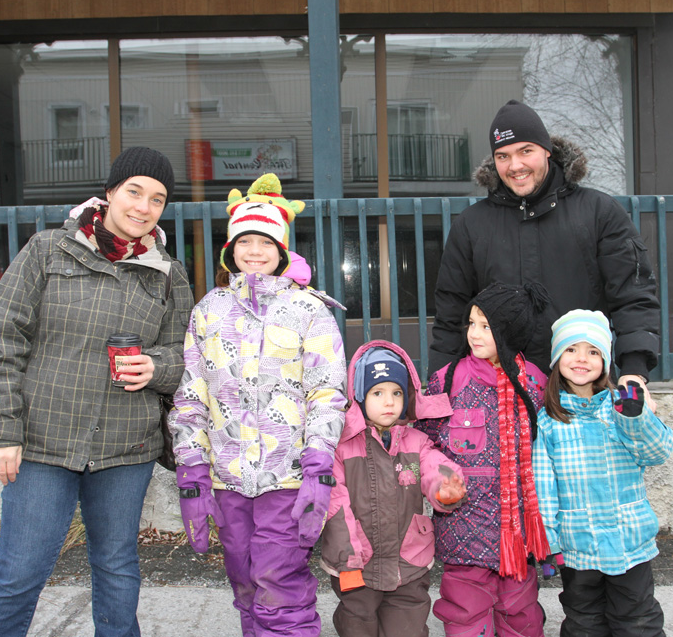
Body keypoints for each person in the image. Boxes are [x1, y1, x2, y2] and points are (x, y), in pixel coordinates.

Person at [0, 146, 193, 637]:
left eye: (157, 199)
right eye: (134, 191)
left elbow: (187, 357)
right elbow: (1, 343)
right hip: (41, 443)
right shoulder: (48, 250)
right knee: (19, 574)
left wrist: (154, 366)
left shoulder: (168, 273)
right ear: (110, 192)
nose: (143, 206)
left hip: (125, 447)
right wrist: (1, 431)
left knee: (117, 569)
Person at [168, 173, 348, 637]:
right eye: (244, 240)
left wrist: (318, 469)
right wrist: (191, 472)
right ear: (230, 249)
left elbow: (326, 393)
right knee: (246, 583)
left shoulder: (309, 310)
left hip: (286, 479)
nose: (254, 250)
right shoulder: (209, 309)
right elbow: (192, 393)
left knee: (278, 585)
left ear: (282, 250)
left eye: (265, 241)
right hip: (227, 480)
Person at [429, 99, 660, 402]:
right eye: (503, 156)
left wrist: (634, 370)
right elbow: (452, 314)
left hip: (581, 391)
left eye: (526, 151)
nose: (515, 166)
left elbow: (634, 296)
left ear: (547, 150)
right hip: (498, 397)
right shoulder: (472, 224)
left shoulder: (599, 212)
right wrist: (440, 389)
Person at [533, 309, 673, 637]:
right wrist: (549, 540)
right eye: (571, 349)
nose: (581, 359)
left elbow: (657, 452)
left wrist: (636, 418)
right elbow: (544, 486)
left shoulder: (621, 407)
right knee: (584, 621)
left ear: (606, 361)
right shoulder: (548, 420)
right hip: (577, 545)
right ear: (557, 358)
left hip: (629, 540)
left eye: (593, 351)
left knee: (637, 619)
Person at [423, 281, 552, 637]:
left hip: (519, 537)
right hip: (464, 529)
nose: (474, 334)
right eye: (471, 323)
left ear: (511, 332)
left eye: (485, 326)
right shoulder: (447, 381)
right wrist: (441, 481)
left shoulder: (536, 386)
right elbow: (424, 441)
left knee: (521, 615)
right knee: (465, 615)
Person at [320, 340, 467, 637]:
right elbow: (335, 503)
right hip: (357, 564)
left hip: (408, 562)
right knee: (357, 622)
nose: (389, 402)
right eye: (378, 393)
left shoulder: (415, 441)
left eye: (396, 393)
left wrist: (445, 486)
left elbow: (434, 466)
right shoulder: (343, 447)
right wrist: (347, 556)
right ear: (359, 396)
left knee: (408, 628)